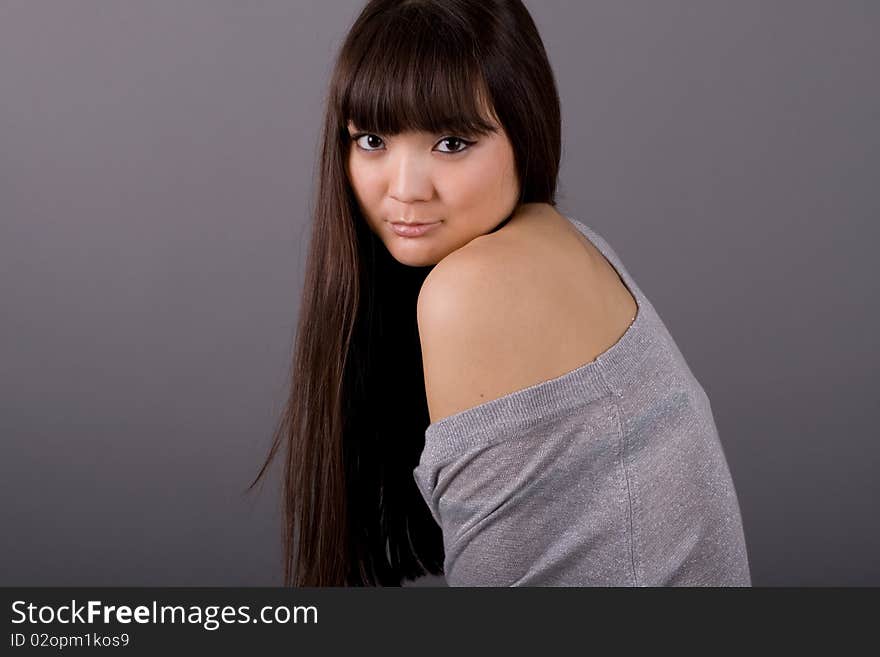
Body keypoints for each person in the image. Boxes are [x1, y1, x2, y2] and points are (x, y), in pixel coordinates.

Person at [250, 0, 752, 587]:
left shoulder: (475, 288)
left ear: (525, 131)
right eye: (372, 140)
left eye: (452, 143)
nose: (405, 189)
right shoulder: (563, 242)